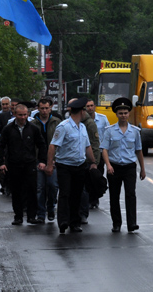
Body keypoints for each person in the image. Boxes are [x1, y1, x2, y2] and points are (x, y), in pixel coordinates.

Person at [45, 98, 98, 234]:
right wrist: (50, 165)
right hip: (65, 166)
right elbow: (53, 146)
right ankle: (63, 221)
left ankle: (75, 222)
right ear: (81, 111)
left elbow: (87, 147)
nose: (86, 112)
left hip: (80, 166)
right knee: (65, 193)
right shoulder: (64, 126)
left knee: (77, 194)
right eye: (85, 110)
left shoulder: (83, 127)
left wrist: (93, 162)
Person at [0, 104, 46, 225]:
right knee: (16, 190)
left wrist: (42, 161)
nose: (23, 117)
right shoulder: (8, 129)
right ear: (14, 114)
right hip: (14, 164)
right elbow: (0, 146)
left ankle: (31, 216)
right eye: (20, 115)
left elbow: (42, 145)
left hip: (29, 163)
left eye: (25, 115)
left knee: (32, 190)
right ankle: (18, 216)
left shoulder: (33, 128)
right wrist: (1, 163)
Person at [101, 97, 146, 233]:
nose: (123, 116)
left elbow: (138, 150)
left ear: (129, 114)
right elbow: (104, 149)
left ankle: (132, 223)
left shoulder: (135, 131)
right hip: (114, 167)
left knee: (130, 195)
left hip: (129, 167)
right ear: (116, 114)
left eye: (125, 113)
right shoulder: (109, 131)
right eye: (120, 113)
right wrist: (108, 165)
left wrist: (142, 169)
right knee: (114, 196)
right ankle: (116, 223)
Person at [68, 98, 101, 224]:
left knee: (83, 190)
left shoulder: (89, 124)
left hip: (86, 160)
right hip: (73, 160)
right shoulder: (71, 122)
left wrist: (94, 163)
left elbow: (94, 144)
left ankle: (82, 214)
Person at [32, 98, 61, 224]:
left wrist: (54, 159)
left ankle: (51, 207)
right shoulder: (33, 124)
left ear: (51, 108)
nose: (44, 111)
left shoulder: (57, 122)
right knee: (40, 187)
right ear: (38, 108)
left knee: (53, 185)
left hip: (53, 160)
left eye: (46, 108)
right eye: (42, 108)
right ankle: (41, 213)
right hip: (38, 160)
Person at [85, 99, 109, 210]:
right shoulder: (82, 120)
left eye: (91, 105)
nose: (90, 108)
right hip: (86, 151)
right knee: (88, 176)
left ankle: (95, 198)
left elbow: (108, 134)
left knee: (97, 175)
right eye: (87, 106)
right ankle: (89, 198)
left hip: (99, 152)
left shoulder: (103, 119)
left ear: (94, 106)